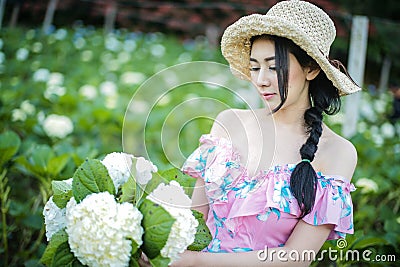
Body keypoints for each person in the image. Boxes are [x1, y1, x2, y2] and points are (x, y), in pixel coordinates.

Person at [140, 1, 360, 266]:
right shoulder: (229, 123)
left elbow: (295, 259)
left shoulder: (336, 152)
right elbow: (193, 223)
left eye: (274, 66)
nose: (261, 80)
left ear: (311, 69)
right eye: (255, 67)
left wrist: (193, 262)